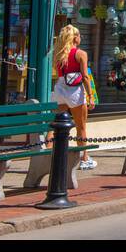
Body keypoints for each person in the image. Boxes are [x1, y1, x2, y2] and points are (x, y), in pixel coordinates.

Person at [51, 25, 96, 170]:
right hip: (74, 90)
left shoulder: (59, 52)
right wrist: (90, 95)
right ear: (75, 37)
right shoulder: (80, 53)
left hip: (59, 88)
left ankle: (50, 156)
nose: (81, 37)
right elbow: (85, 77)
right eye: (79, 35)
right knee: (81, 126)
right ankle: (84, 158)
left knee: (55, 126)